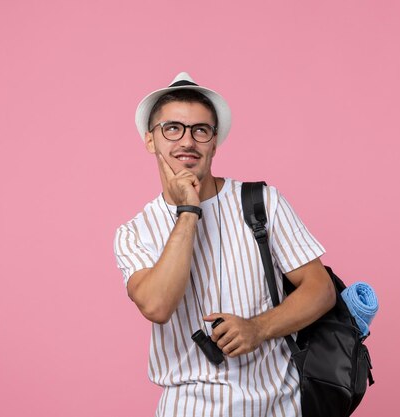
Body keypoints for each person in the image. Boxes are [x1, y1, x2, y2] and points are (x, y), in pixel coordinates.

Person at [114, 72, 336, 417]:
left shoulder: (261, 202)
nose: (187, 141)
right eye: (172, 129)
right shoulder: (134, 232)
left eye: (200, 130)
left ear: (214, 143)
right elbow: (156, 306)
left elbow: (321, 290)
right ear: (150, 140)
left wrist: (257, 328)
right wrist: (188, 210)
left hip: (281, 406)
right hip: (188, 408)